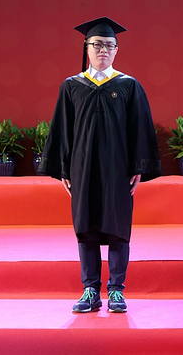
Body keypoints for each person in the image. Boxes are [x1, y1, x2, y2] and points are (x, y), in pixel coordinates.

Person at [39, 17, 162, 313]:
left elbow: (139, 128)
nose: (103, 50)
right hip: (82, 169)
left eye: (109, 45)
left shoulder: (128, 85)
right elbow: (62, 130)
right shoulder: (72, 86)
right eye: (97, 45)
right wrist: (64, 169)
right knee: (86, 227)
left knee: (118, 228)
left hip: (118, 169)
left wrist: (138, 167)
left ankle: (116, 290)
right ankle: (90, 290)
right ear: (87, 48)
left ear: (116, 50)